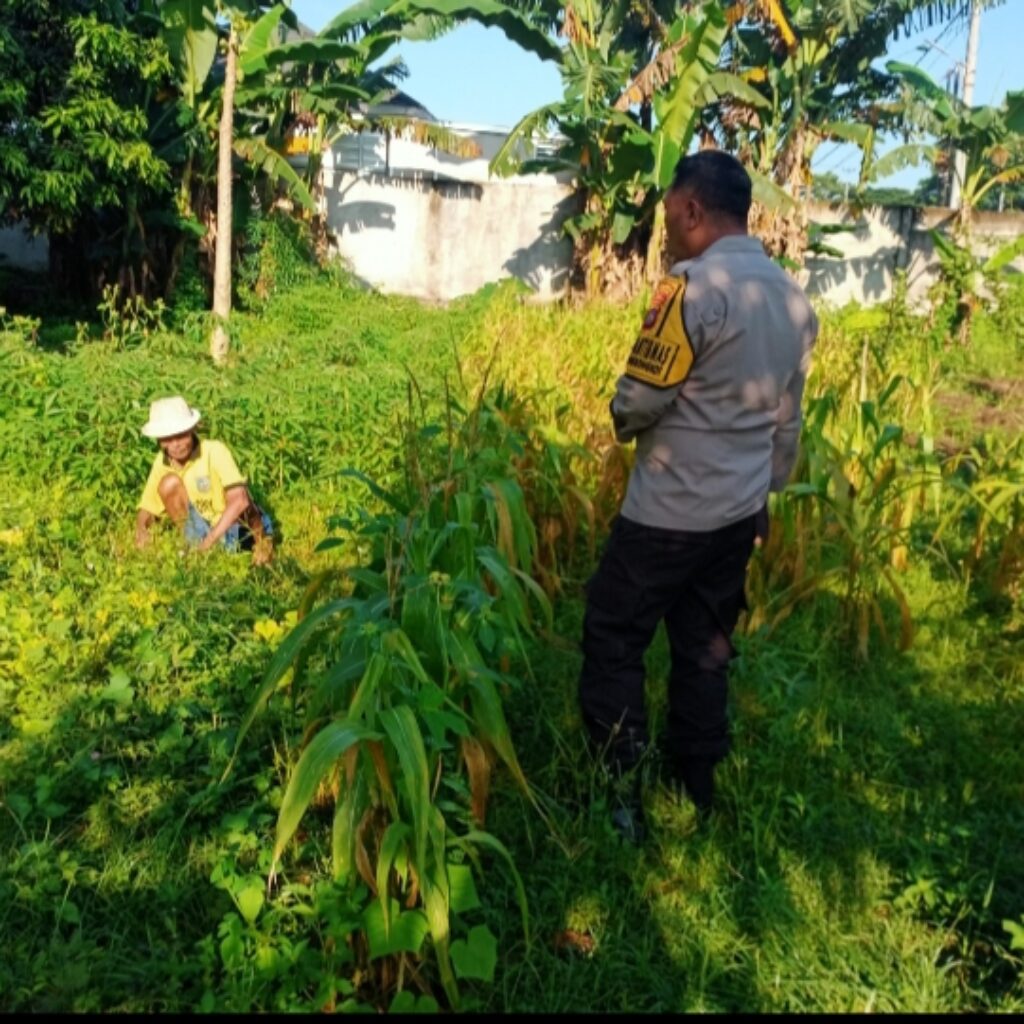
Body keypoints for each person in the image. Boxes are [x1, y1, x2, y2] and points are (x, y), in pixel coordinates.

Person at [578, 150, 819, 841]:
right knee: (705, 645)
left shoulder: (690, 290)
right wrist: (766, 497)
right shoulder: (794, 300)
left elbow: (640, 402)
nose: (665, 234)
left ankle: (619, 790)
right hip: (737, 515)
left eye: (668, 217)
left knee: (615, 635)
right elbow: (787, 419)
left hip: (666, 512)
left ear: (690, 210)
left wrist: (622, 418)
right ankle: (696, 779)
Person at [134, 395, 274, 565]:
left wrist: (208, 542)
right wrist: (141, 530)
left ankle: (262, 542)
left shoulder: (214, 451)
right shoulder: (162, 461)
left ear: (192, 429)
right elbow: (147, 508)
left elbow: (240, 500)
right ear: (159, 440)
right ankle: (194, 545)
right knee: (168, 484)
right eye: (168, 439)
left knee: (240, 496)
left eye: (181, 435)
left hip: (234, 526)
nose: (175, 444)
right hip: (200, 526)